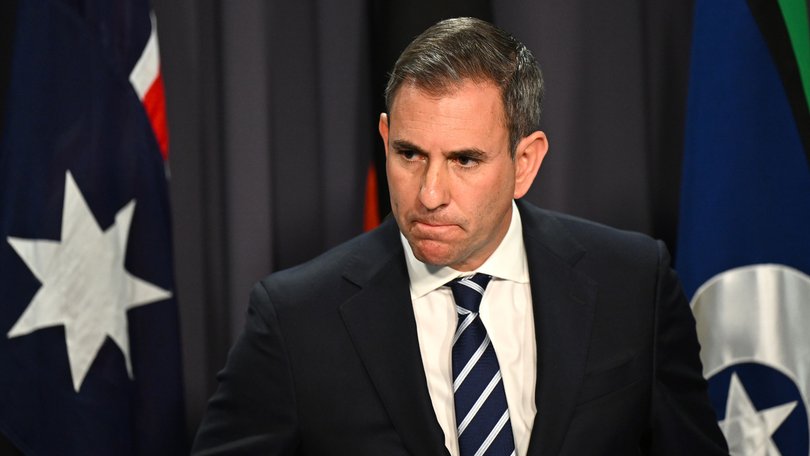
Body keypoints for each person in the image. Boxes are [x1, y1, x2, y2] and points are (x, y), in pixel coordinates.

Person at [192, 17, 728, 456]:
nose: (429, 194)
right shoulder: (295, 317)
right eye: (409, 154)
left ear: (525, 162)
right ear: (384, 138)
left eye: (464, 160)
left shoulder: (633, 283)